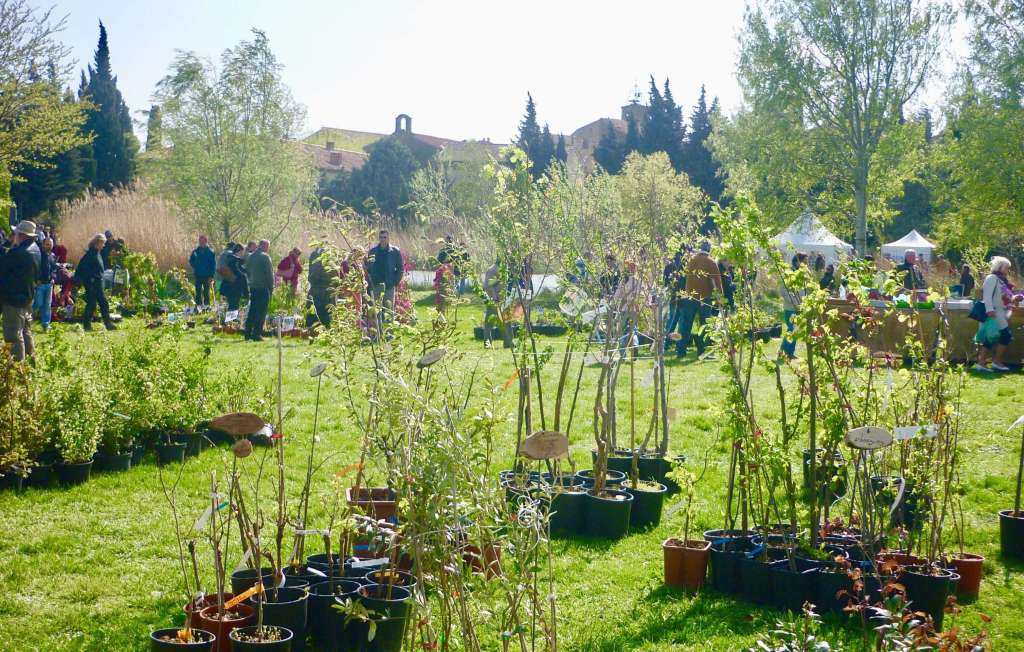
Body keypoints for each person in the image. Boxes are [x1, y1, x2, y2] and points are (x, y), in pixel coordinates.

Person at [0, 221, 41, 360]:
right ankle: (31, 363)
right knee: (25, 332)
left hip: (14, 299)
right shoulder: (35, 249)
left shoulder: (18, 252)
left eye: (15, 233)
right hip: (28, 296)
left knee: (13, 335)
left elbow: (3, 267)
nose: (13, 236)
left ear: (21, 235)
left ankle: (18, 370)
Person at [676, 241, 722, 358]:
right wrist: (719, 299)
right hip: (703, 298)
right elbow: (717, 282)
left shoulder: (691, 260)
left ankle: (681, 351)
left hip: (689, 297)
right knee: (704, 326)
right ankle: (702, 351)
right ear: (709, 249)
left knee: (686, 325)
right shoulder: (711, 262)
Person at [975, 256, 1019, 372]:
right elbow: (987, 296)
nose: (1008, 270)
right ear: (1000, 266)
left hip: (1000, 312)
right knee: (1002, 336)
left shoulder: (1001, 280)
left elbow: (1004, 296)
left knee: (993, 337)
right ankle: (993, 362)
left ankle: (984, 362)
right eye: (1006, 267)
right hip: (994, 312)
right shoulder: (992, 278)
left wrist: (1014, 298)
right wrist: (989, 310)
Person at [75, 233, 115, 332]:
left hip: (97, 282)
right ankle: (89, 325)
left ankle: (105, 323)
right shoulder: (90, 254)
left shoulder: (97, 253)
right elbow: (82, 269)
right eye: (103, 243)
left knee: (100, 303)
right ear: (98, 243)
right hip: (92, 283)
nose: (104, 245)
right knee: (94, 303)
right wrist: (89, 280)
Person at [365, 229, 404, 327]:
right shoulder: (372, 251)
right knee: (376, 312)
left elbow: (400, 268)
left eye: (385, 237)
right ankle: (377, 336)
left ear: (388, 238)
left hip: (389, 286)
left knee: (388, 311)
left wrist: (395, 282)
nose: (383, 239)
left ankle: (389, 337)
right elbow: (369, 268)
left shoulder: (395, 251)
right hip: (376, 286)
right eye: (381, 237)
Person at [780, 253, 808, 359]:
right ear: (797, 261)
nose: (806, 265)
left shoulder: (803, 274)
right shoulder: (788, 273)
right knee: (792, 329)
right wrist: (795, 303)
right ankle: (785, 352)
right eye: (804, 262)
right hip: (790, 307)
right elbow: (783, 291)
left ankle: (787, 352)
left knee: (794, 330)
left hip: (800, 307)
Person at [244, 240, 273, 341]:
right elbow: (269, 274)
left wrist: (252, 280)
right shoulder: (265, 257)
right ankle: (257, 334)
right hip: (263, 287)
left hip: (253, 287)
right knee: (261, 311)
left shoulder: (251, 256)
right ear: (265, 246)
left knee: (252, 310)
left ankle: (247, 333)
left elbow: (246, 270)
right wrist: (271, 287)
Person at [306, 246, 337, 329]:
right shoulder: (317, 256)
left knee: (324, 316)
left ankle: (322, 331)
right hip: (320, 291)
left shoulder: (328, 258)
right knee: (317, 315)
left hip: (324, 291)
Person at [663, 250, 686, 344]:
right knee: (681, 322)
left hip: (672, 296)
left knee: (671, 321)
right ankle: (679, 343)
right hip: (682, 296)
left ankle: (666, 343)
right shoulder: (685, 266)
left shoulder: (668, 266)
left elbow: (665, 282)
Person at [33, 237, 56, 331]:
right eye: (47, 244)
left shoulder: (52, 256)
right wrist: (36, 279)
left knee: (47, 305)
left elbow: (53, 269)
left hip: (49, 284)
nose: (49, 246)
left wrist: (53, 278)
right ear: (43, 245)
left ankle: (46, 325)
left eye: (50, 244)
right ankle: (27, 322)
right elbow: (35, 268)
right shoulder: (39, 255)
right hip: (40, 284)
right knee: (37, 304)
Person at [189, 235, 217, 309]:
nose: (201, 243)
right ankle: (199, 306)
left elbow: (213, 265)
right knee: (198, 291)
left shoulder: (210, 252)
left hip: (207, 275)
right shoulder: (195, 252)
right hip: (198, 275)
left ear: (206, 241)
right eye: (200, 241)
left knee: (206, 291)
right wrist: (195, 266)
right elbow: (191, 261)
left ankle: (207, 306)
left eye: (202, 241)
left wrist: (211, 276)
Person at [220, 244, 247, 312]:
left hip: (228, 286)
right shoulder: (235, 260)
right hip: (234, 287)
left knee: (233, 304)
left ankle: (231, 320)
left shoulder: (230, 259)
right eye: (243, 251)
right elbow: (238, 272)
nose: (243, 253)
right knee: (233, 305)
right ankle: (231, 321)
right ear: (240, 251)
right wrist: (244, 275)